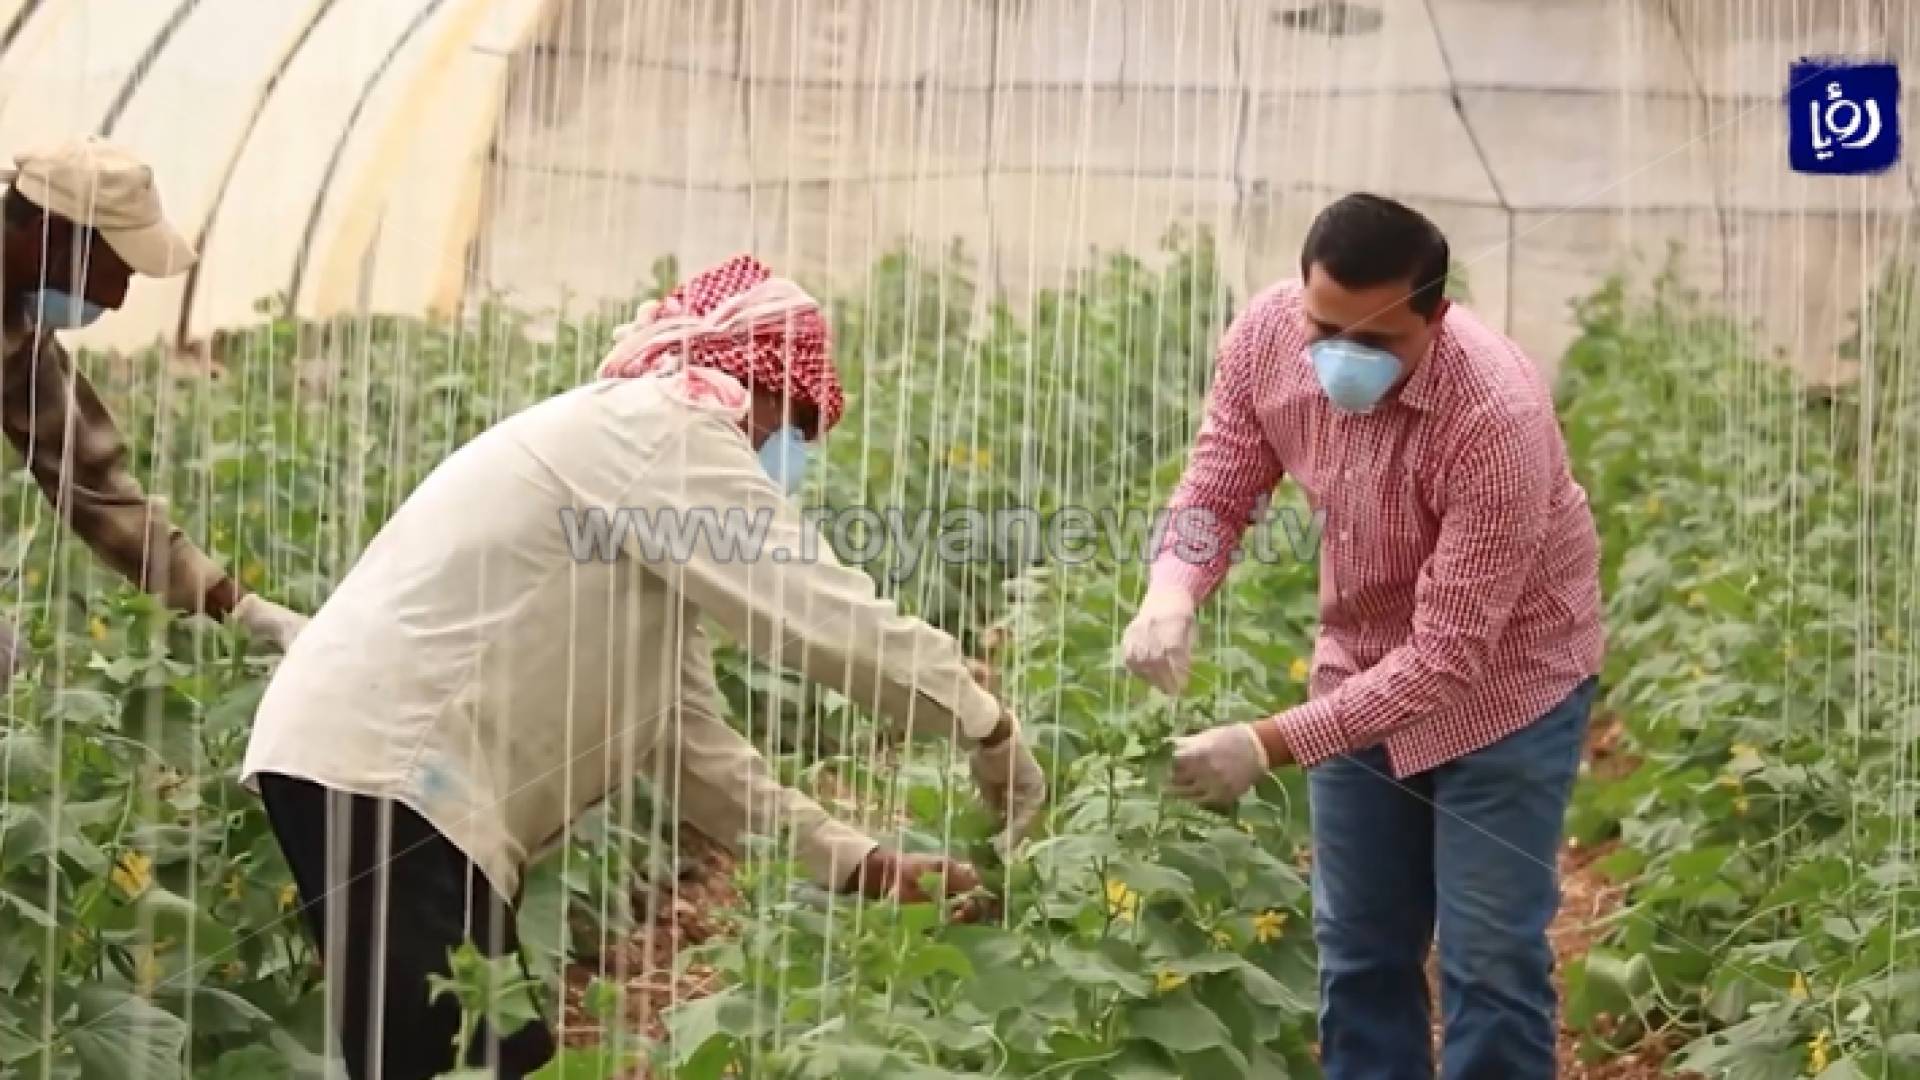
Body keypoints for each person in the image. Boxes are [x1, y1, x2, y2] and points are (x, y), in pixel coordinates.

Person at [240, 254, 1048, 1080]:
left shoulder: (641, 469)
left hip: (387, 775)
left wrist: (862, 866)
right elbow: (821, 616)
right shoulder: (667, 428)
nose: (789, 448)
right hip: (388, 769)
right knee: (471, 1057)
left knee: (466, 1049)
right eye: (792, 419)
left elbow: (688, 743)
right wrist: (984, 724)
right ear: (750, 377)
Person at [1122, 193, 1604, 1078]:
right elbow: (1217, 485)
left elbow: (1448, 657)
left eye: (1376, 339)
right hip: (1361, 661)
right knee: (1358, 950)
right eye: (1323, 328)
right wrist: (1172, 587)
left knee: (1489, 958)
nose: (1340, 355)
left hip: (1509, 687)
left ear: (1436, 317)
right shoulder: (1267, 336)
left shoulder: (1493, 417)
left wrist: (1265, 744)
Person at [0, 137, 307, 674]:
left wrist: (245, 612)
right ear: (51, 234)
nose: (116, 298)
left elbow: (94, 486)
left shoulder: (20, 333)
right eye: (115, 269)